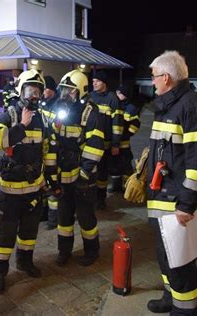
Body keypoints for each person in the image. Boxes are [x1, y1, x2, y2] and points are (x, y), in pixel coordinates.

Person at [146, 51, 197, 315]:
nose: (152, 82)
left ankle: (186, 309)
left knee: (181, 262)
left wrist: (186, 205)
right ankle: (171, 298)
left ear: (166, 77)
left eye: (154, 77)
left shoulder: (192, 106)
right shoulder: (170, 105)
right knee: (166, 256)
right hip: (165, 199)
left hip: (180, 204)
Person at [0, 69, 58, 294]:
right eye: (30, 90)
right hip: (10, 191)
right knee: (5, 234)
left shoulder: (43, 118)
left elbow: (47, 149)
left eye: (37, 92)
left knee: (29, 232)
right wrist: (20, 125)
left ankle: (25, 262)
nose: (34, 96)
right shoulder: (10, 114)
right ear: (21, 91)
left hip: (33, 188)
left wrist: (51, 178)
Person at [53, 70, 105, 266]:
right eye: (64, 90)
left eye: (71, 91)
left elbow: (95, 147)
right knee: (63, 217)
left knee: (86, 217)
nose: (66, 95)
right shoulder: (60, 109)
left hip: (83, 175)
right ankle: (63, 251)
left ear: (81, 92)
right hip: (64, 173)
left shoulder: (91, 113)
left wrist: (84, 173)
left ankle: (92, 251)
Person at [90, 71, 123, 209]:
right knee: (90, 171)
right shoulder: (90, 97)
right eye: (93, 81)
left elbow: (117, 124)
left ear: (104, 82)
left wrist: (115, 144)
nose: (94, 83)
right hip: (90, 142)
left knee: (102, 173)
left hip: (105, 144)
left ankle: (100, 200)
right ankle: (90, 198)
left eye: (97, 81)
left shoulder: (112, 99)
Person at [40, 75, 59, 230]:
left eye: (46, 88)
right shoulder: (41, 103)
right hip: (42, 149)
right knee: (43, 183)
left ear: (52, 90)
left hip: (54, 150)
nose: (44, 91)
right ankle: (43, 214)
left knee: (52, 184)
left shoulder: (58, 105)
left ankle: (53, 219)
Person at [114, 84, 142, 188]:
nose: (117, 94)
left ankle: (128, 186)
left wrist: (125, 134)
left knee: (126, 165)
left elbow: (135, 124)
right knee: (115, 165)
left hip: (124, 143)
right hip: (114, 143)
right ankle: (116, 186)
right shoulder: (115, 105)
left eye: (119, 93)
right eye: (116, 92)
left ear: (125, 95)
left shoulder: (131, 108)